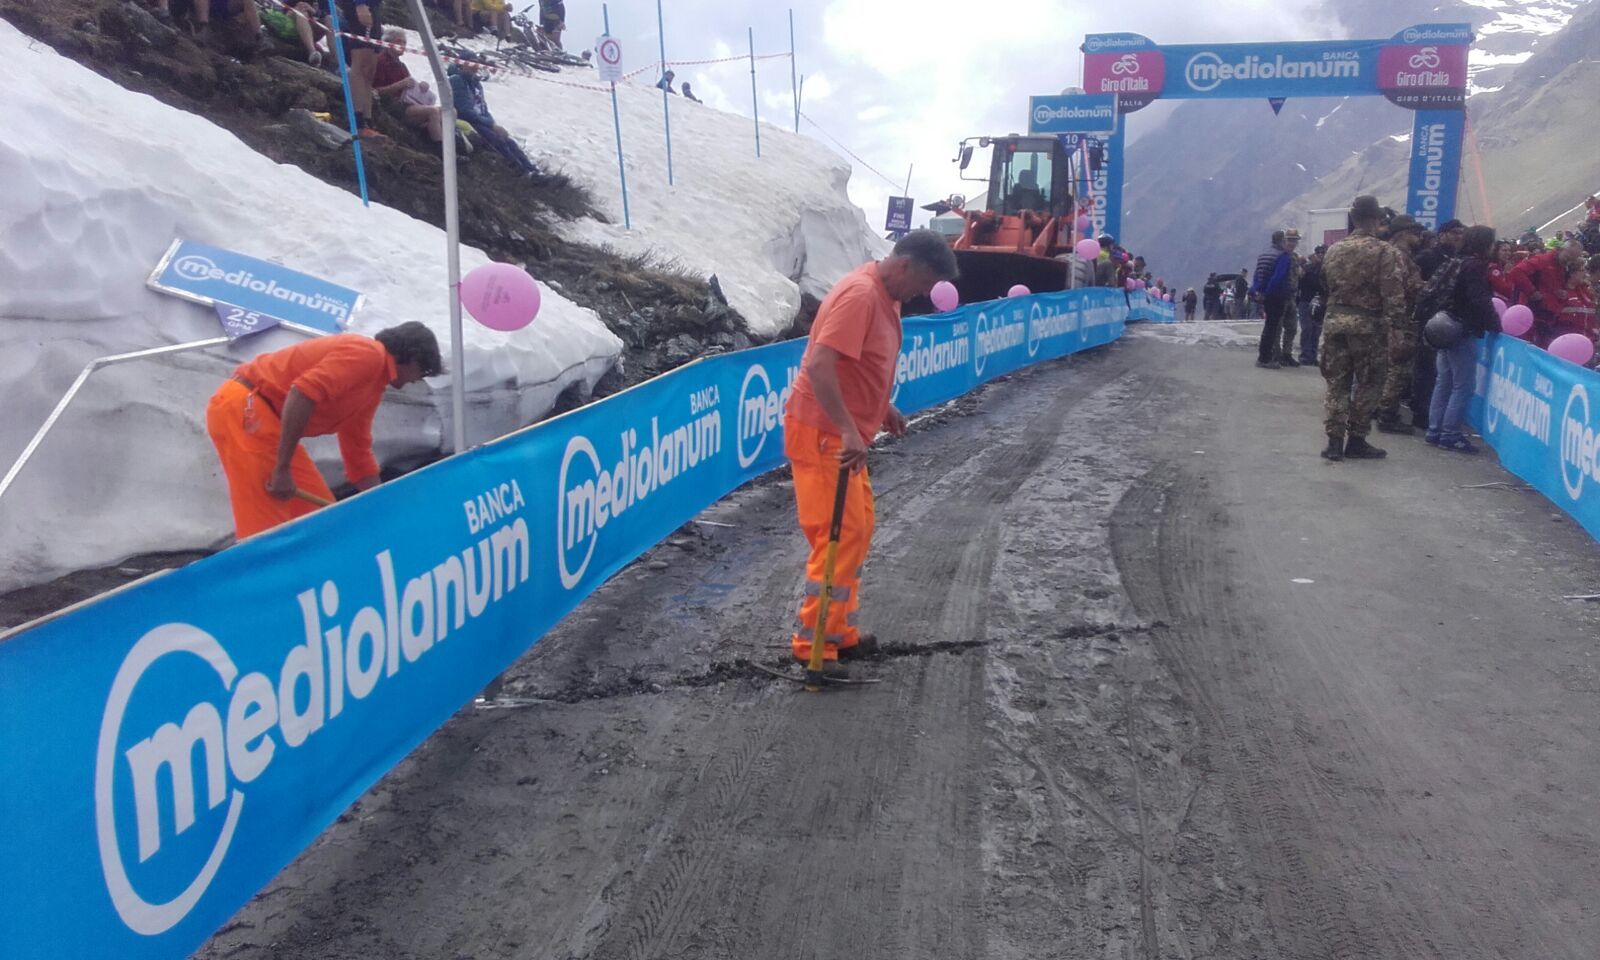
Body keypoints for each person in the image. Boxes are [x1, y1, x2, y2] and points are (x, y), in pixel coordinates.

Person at [783, 231, 958, 675]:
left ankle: (839, 633)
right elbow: (820, 365)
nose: (921, 294)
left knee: (856, 531)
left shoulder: (886, 293)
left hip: (842, 434)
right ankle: (814, 646)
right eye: (922, 284)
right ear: (904, 265)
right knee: (836, 536)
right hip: (824, 434)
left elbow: (859, 365)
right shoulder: (861, 296)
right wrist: (847, 428)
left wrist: (882, 408)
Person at [206, 323, 442, 539]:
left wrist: (379, 505)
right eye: (423, 372)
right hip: (247, 411)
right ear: (411, 357)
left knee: (322, 520)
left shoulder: (373, 383)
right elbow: (301, 393)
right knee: (267, 532)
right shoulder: (368, 355)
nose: (417, 381)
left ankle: (308, 579)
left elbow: (357, 449)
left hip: (264, 419)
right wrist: (282, 468)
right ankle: (267, 581)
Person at [1318, 196, 1407, 462]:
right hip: (1368, 327)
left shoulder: (1334, 250)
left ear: (1353, 219)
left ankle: (1334, 442)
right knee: (1369, 383)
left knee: (1337, 383)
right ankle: (1357, 439)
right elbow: (1393, 294)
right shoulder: (1384, 251)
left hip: (1335, 324)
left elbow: (1326, 286)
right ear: (1377, 219)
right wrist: (1399, 329)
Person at [1426, 226, 1499, 453]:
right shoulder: (1476, 266)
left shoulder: (1456, 261)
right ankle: (1450, 434)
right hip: (1462, 329)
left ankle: (1435, 429)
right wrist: (1495, 323)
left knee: (1444, 381)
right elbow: (1479, 299)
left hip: (1444, 325)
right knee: (1463, 385)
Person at [1375, 215, 1426, 434]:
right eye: (1415, 233)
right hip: (1400, 318)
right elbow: (1403, 288)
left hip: (1384, 317)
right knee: (1398, 368)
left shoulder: (1385, 252)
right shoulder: (1400, 257)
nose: (1419, 238)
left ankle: (1380, 407)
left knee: (1385, 367)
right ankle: (1387, 414)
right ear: (1404, 233)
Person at [449, 56, 540, 176]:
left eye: (477, 64)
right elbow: (464, 110)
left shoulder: (476, 84)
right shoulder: (457, 80)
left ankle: (532, 171)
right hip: (466, 121)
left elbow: (483, 108)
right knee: (496, 141)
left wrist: (492, 124)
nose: (475, 67)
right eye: (472, 63)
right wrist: (491, 125)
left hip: (480, 120)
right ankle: (521, 173)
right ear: (462, 64)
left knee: (508, 141)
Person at [1509, 240, 1586, 347]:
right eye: (1568, 257)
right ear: (1561, 250)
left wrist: (1561, 294)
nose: (1568, 262)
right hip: (1533, 313)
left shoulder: (1562, 266)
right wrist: (1532, 292)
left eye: (1572, 260)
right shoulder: (1542, 260)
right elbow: (1516, 272)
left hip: (1548, 314)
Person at [374, 29, 443, 143]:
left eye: (404, 43)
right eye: (399, 42)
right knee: (433, 111)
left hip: (408, 104)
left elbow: (410, 85)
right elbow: (375, 91)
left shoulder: (402, 65)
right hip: (394, 106)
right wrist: (399, 85)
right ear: (388, 43)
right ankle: (440, 147)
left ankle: (445, 142)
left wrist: (421, 86)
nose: (402, 45)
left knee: (448, 111)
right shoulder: (380, 61)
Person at [333, 0, 385, 138]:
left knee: (370, 70)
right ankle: (356, 121)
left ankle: (367, 120)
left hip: (374, 6)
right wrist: (360, 5)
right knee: (361, 64)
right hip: (360, 6)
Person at [1251, 230, 1294, 368]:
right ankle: (1265, 358)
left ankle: (1263, 355)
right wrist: (1268, 292)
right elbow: (1277, 278)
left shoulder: (1263, 255)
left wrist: (1258, 291)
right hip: (1277, 295)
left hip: (1264, 294)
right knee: (1273, 327)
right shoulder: (1283, 256)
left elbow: (1258, 275)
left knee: (1268, 326)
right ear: (1282, 241)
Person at [1276, 230, 1304, 364]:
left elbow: (1298, 275)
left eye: (1295, 240)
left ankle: (1286, 353)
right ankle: (1276, 354)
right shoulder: (1279, 256)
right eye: (1290, 240)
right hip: (1279, 296)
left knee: (1292, 327)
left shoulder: (1294, 257)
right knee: (1277, 327)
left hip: (1291, 296)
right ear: (1284, 241)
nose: (1292, 243)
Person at [1295, 245, 1326, 365]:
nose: (1321, 256)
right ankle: (1305, 355)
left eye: (1323, 253)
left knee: (1316, 330)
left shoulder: (1326, 269)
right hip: (1306, 301)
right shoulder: (1308, 268)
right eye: (1319, 253)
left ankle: (1312, 355)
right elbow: (1300, 282)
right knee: (1307, 328)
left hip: (1320, 302)